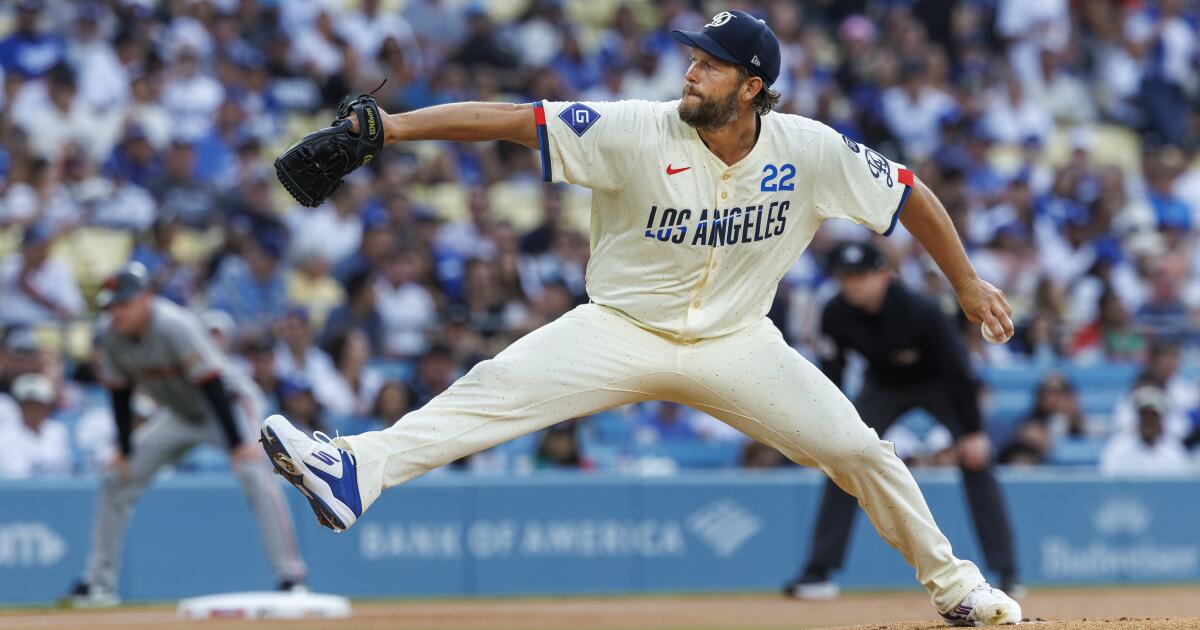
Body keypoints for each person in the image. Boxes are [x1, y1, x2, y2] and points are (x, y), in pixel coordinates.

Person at [261, 10, 1021, 625]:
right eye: (693, 59)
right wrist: (394, 128)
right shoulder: (634, 128)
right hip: (619, 328)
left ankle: (957, 588)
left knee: (859, 450)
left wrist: (965, 282)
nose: (691, 72)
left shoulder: (810, 149)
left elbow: (908, 192)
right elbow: (513, 120)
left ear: (752, 86)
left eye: (711, 65)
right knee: (490, 389)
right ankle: (354, 471)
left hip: (737, 342)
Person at [782, 241, 1021, 600]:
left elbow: (959, 370)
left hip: (939, 383)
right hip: (883, 385)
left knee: (977, 460)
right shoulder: (835, 312)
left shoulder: (919, 309)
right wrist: (830, 428)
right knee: (843, 455)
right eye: (845, 276)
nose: (852, 284)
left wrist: (972, 431)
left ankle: (1007, 572)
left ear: (883, 275)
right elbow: (833, 372)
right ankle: (818, 572)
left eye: (860, 275)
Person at [62, 262, 306, 607]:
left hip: (229, 405)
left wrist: (238, 444)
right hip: (179, 413)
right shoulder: (112, 335)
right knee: (115, 478)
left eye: (124, 303)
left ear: (146, 299)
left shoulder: (172, 323)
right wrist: (125, 450)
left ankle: (291, 576)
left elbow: (212, 382)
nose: (116, 312)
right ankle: (99, 583)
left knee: (255, 472)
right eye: (112, 305)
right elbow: (120, 392)